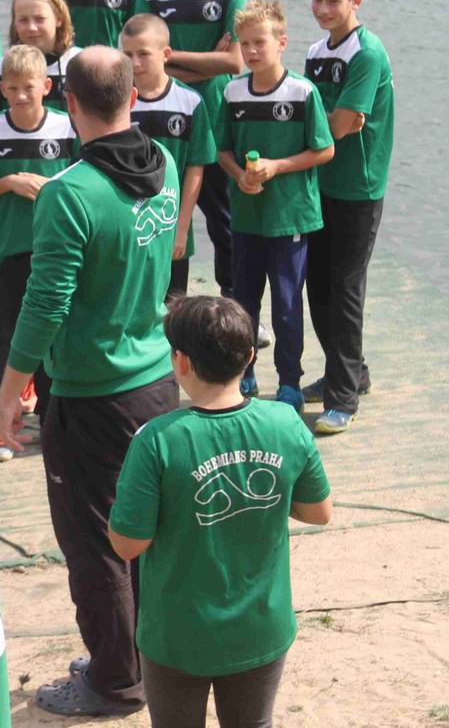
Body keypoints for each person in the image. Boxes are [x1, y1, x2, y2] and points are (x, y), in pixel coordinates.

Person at [0, 47, 181, 718]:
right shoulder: (166, 164)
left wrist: (9, 391)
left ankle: (113, 680)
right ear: (132, 96)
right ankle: (147, 657)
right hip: (157, 380)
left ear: (67, 103)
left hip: (93, 395)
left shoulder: (68, 192)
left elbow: (45, 304)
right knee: (148, 532)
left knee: (95, 545)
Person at [110, 296, 333, 728]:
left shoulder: (157, 440)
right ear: (249, 357)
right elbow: (319, 511)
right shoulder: (286, 423)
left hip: (178, 637)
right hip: (261, 628)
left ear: (180, 361)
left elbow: (127, 544)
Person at [215, 0, 334, 407]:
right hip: (247, 218)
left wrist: (277, 167)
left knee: (286, 306)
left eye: (260, 42)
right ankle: (244, 373)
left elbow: (325, 149)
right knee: (243, 304)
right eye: (245, 43)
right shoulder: (232, 91)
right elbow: (222, 151)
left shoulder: (302, 92)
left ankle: (289, 382)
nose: (251, 51)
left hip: (290, 219)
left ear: (281, 42)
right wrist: (240, 176)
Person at [0, 44, 79, 455]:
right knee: (7, 335)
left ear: (46, 86)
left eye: (28, 87)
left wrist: (53, 188)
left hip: (57, 247)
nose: (20, 95)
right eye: (12, 88)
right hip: (8, 248)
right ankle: (3, 423)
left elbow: (84, 179)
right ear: (1, 89)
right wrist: (11, 182)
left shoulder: (66, 128)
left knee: (56, 332)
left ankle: (52, 420)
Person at [302, 0, 394, 434]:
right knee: (318, 285)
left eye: (333, 1)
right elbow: (316, 117)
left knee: (345, 288)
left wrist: (320, 129)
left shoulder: (367, 53)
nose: (323, 9)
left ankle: (343, 399)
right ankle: (352, 372)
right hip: (320, 184)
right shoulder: (316, 52)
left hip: (358, 189)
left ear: (355, 1)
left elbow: (340, 124)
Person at [137, 0, 246, 300]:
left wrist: (168, 60)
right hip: (162, 124)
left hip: (215, 122)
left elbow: (234, 61)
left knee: (225, 224)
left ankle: (235, 307)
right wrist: (207, 61)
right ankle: (162, 307)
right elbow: (140, 63)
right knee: (155, 218)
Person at [122, 14, 217, 301]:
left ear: (165, 54)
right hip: (127, 224)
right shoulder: (117, 101)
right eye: (127, 54)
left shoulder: (189, 102)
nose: (135, 63)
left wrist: (182, 226)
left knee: (173, 308)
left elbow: (195, 168)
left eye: (143, 54)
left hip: (169, 222)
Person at [0, 0, 81, 113]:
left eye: (40, 19)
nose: (32, 28)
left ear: (59, 19)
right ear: (15, 23)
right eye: (23, 20)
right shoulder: (1, 69)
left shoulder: (80, 65)